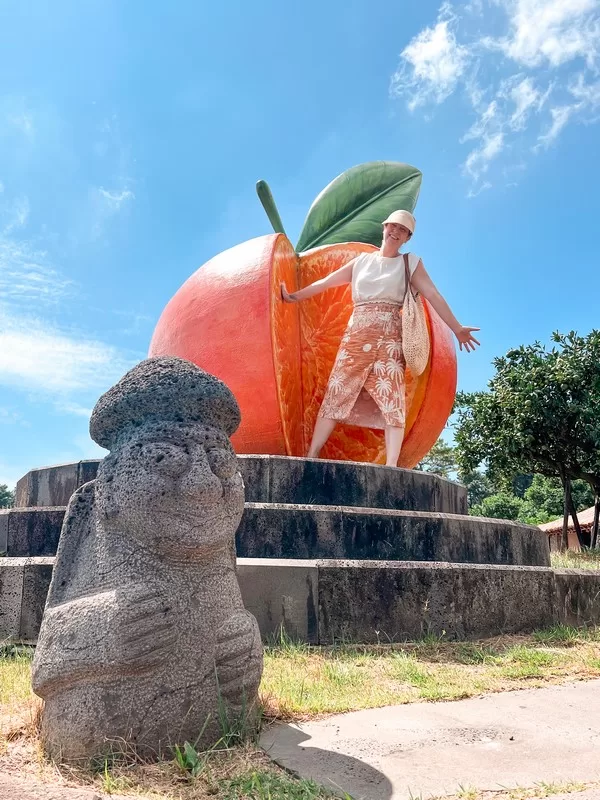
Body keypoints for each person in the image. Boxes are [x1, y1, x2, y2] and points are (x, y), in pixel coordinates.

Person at [281, 210, 480, 467]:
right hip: (356, 336)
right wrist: (293, 297)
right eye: (393, 226)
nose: (396, 232)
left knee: (393, 398)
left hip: (389, 339)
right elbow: (327, 282)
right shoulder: (361, 262)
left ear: (408, 238)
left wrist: (456, 328)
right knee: (337, 391)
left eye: (403, 230)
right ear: (384, 227)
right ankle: (311, 457)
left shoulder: (410, 262)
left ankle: (392, 467)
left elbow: (433, 294)